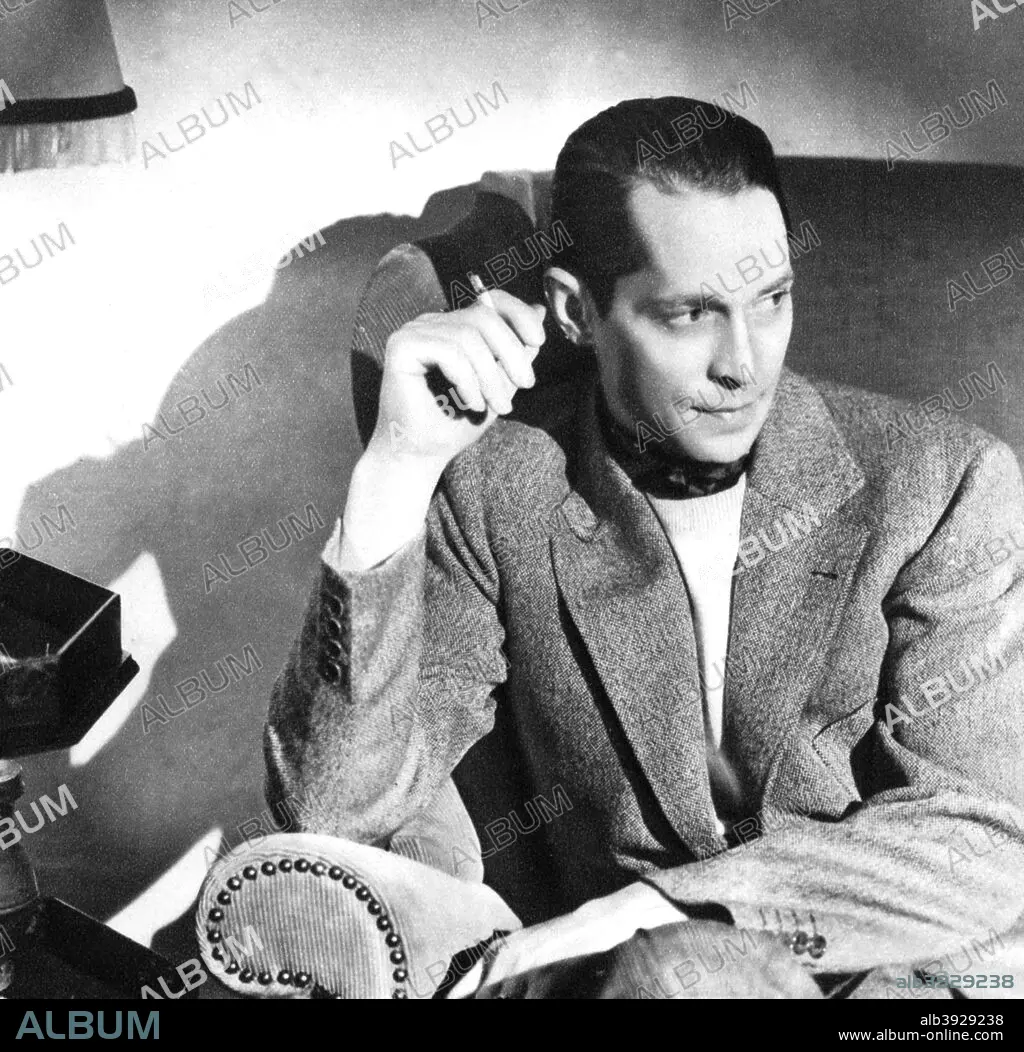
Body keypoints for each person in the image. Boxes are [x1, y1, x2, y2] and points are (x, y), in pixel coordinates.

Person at [264, 97, 1024, 998]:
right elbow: (336, 812)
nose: (744, 363)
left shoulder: (945, 482)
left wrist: (655, 912)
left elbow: (985, 835)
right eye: (690, 314)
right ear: (576, 312)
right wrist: (395, 468)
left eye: (772, 300)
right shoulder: (495, 489)